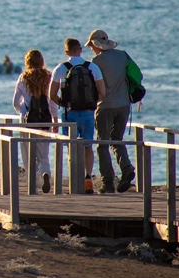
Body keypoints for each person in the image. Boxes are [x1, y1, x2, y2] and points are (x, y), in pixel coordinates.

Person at [49, 38, 106, 193]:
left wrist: (64, 104)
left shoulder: (61, 68)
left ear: (66, 51)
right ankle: (88, 177)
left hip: (69, 114)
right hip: (88, 114)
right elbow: (102, 92)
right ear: (80, 49)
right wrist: (91, 103)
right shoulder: (92, 67)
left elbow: (52, 94)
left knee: (72, 148)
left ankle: (75, 181)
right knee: (88, 146)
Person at [87, 29, 137, 193]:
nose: (91, 50)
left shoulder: (96, 61)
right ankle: (126, 167)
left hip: (105, 106)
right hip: (123, 105)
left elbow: (93, 86)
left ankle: (108, 182)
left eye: (91, 46)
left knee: (102, 144)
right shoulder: (123, 55)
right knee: (117, 139)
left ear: (96, 46)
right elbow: (137, 74)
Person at [12, 50, 59, 193]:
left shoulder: (23, 77)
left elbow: (15, 102)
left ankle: (33, 184)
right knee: (44, 155)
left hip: (28, 122)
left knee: (28, 155)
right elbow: (52, 102)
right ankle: (46, 175)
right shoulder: (49, 77)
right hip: (45, 120)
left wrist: (23, 111)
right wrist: (55, 119)